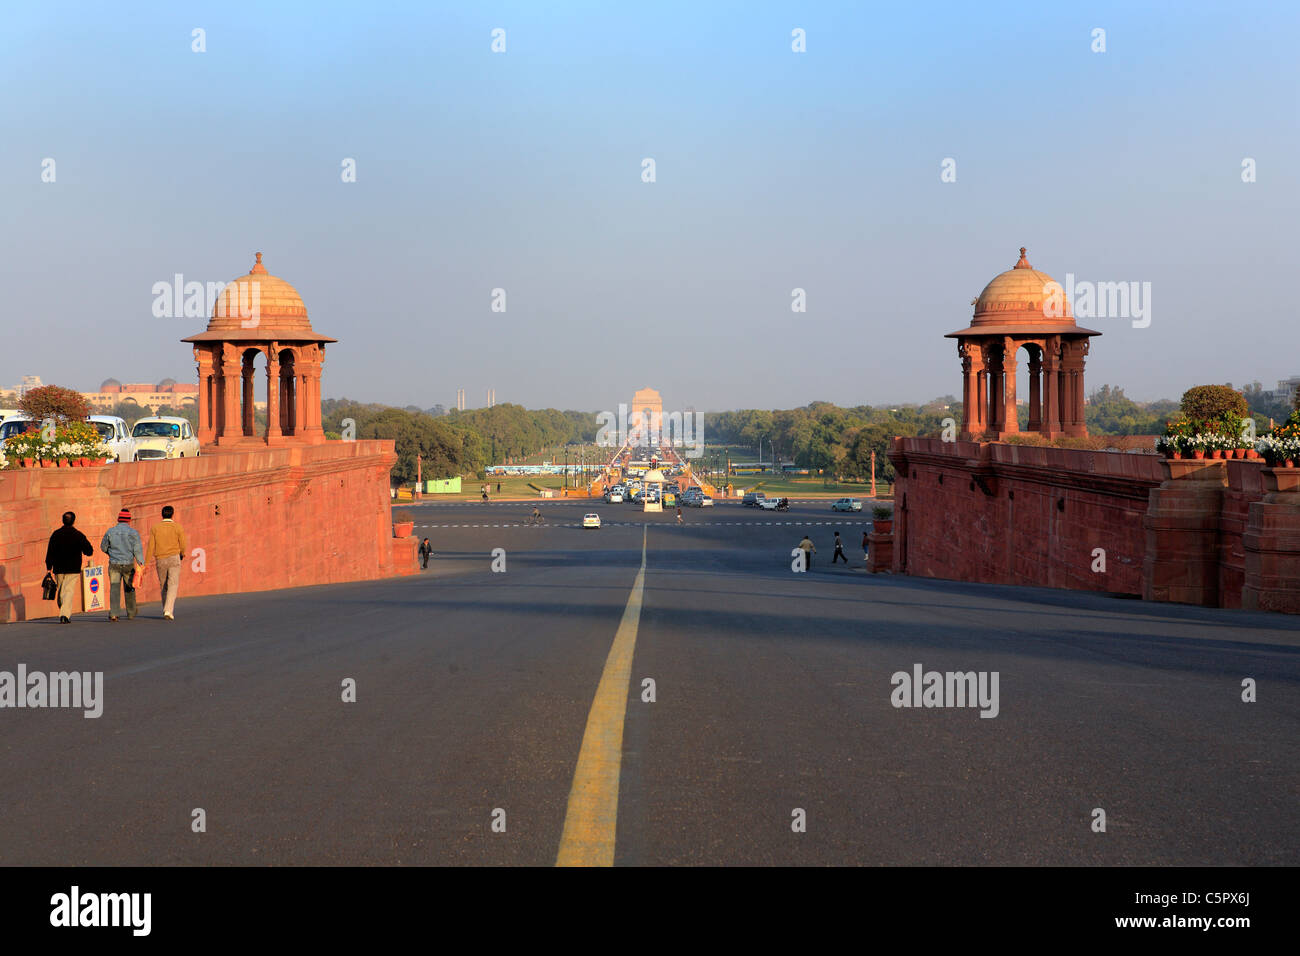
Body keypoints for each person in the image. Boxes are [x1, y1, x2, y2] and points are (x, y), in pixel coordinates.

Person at [45, 511, 93, 624]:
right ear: (74, 521)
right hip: (73, 568)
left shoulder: (56, 534)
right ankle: (64, 613)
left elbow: (50, 552)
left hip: (59, 568)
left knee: (63, 591)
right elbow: (89, 550)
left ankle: (64, 614)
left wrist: (49, 567)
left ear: (63, 521)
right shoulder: (78, 535)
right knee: (67, 592)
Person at [144, 505, 188, 621]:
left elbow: (151, 546)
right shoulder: (177, 527)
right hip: (174, 558)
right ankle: (168, 610)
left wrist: (146, 563)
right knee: (173, 584)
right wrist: (182, 553)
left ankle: (166, 609)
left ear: (162, 515)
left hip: (160, 559)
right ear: (172, 514)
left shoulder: (155, 528)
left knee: (163, 585)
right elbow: (183, 543)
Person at [101, 508, 144, 621]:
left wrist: (111, 553)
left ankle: (114, 613)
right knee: (129, 588)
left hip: (114, 563)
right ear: (129, 520)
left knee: (114, 588)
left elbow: (103, 547)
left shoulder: (110, 531)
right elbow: (138, 550)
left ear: (118, 519)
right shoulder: (133, 533)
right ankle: (131, 612)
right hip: (128, 564)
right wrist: (140, 563)